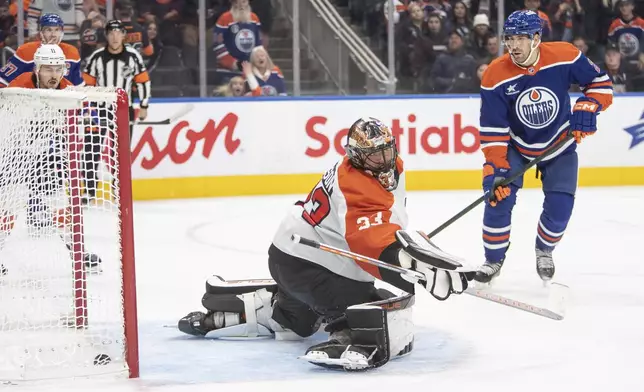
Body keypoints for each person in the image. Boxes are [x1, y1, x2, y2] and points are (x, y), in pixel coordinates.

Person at [177, 118, 472, 371]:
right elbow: (369, 245)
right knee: (364, 299)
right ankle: (344, 329)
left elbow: (382, 224)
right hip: (306, 263)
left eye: (386, 151)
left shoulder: (390, 167)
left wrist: (413, 251)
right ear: (356, 157)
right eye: (373, 156)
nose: (382, 161)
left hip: (294, 256)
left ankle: (264, 310)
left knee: (300, 324)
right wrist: (408, 265)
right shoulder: (354, 185)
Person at [477, 10, 613, 283]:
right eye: (509, 39)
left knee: (561, 206)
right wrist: (495, 166)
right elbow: (493, 130)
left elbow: (600, 83)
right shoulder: (495, 74)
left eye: (520, 39)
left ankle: (544, 250)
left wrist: (590, 104)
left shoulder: (566, 55)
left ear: (536, 38)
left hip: (559, 144)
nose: (513, 46)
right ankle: (493, 260)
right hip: (516, 147)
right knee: (498, 200)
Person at [1, 44, 101, 277]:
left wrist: (93, 120)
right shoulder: (20, 85)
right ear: (37, 69)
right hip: (14, 154)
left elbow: (84, 109)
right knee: (7, 208)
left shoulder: (66, 88)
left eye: (58, 69)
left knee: (59, 205)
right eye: (48, 69)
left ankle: (78, 253)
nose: (54, 75)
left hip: (44, 156)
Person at [83, 19, 151, 203]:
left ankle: (118, 188)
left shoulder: (133, 56)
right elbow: (87, 85)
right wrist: (87, 109)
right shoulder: (97, 57)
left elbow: (143, 81)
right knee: (91, 149)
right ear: (106, 35)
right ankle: (89, 191)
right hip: (98, 109)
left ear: (123, 35)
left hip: (124, 110)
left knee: (121, 151)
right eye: (111, 32)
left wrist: (143, 105)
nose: (114, 36)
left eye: (118, 32)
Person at [0, 13, 84, 88]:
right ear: (41, 32)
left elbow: (78, 87)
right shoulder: (26, 51)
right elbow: (3, 81)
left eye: (57, 30)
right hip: (30, 100)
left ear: (62, 33)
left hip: (62, 101)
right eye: (48, 30)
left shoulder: (72, 52)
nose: (53, 35)